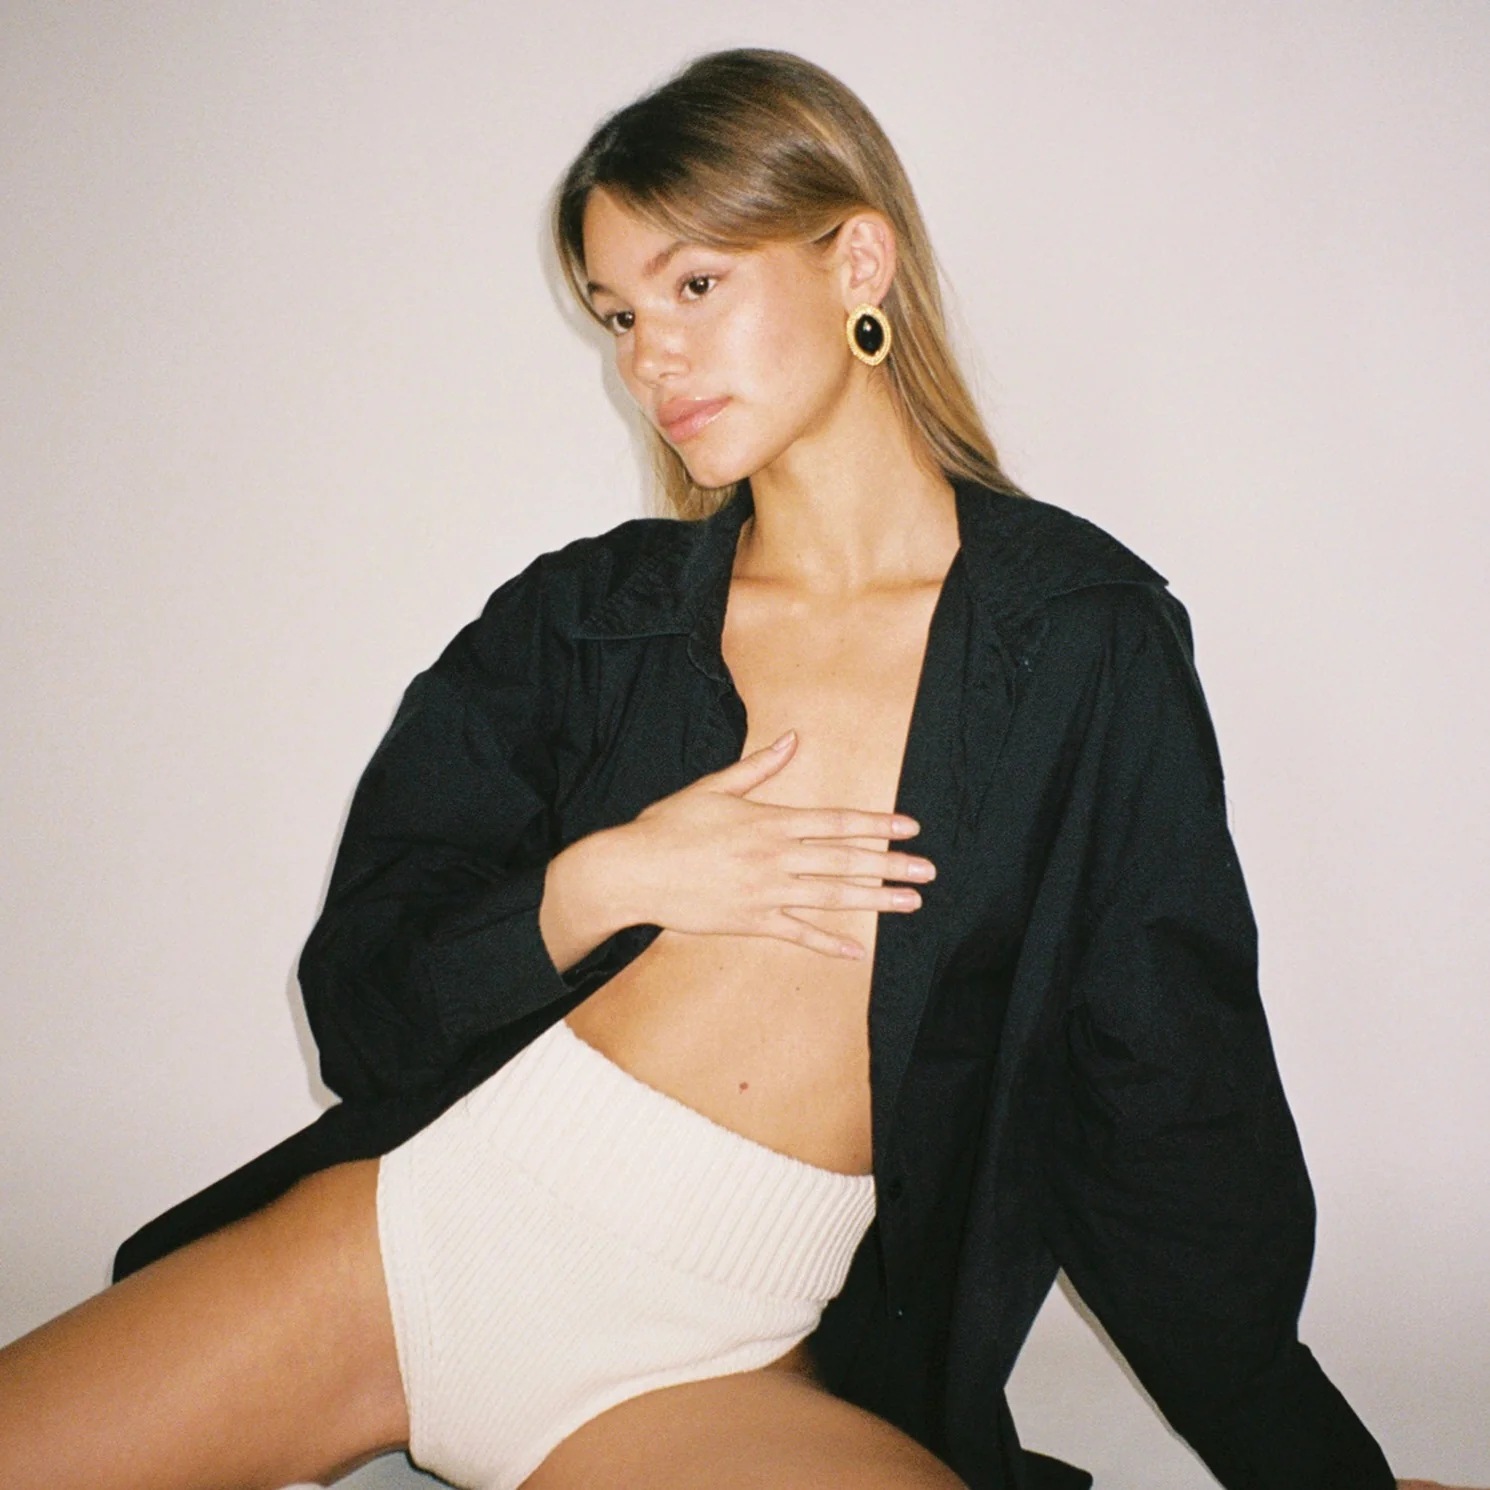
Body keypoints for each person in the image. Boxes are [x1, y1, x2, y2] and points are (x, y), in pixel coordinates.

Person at [0, 43, 1456, 1490]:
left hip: (706, 1364)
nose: (650, 358)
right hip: (401, 1251)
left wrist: (1313, 1471)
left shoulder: (1075, 643)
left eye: (694, 285)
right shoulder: (586, 619)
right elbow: (363, 1009)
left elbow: (1159, 1091)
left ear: (858, 262)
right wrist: (603, 881)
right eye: (618, 314)